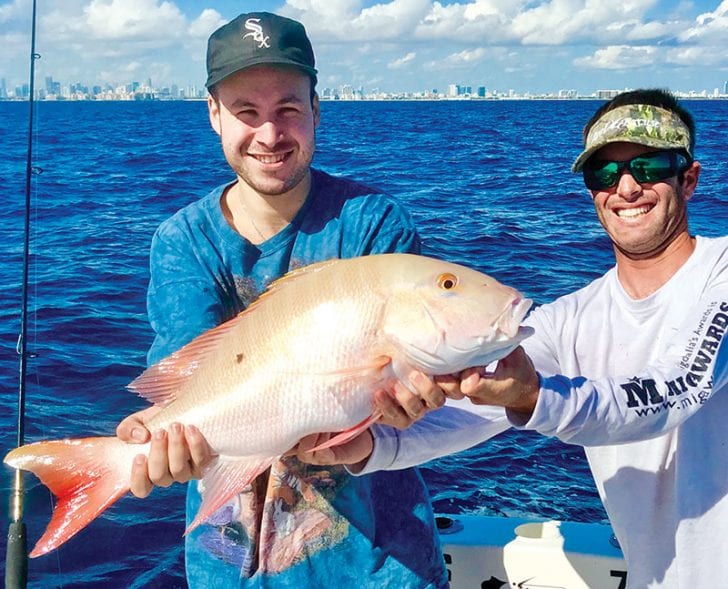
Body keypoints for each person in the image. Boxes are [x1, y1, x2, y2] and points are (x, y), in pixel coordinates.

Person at [115, 12, 455, 588]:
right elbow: (184, 373)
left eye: (289, 110)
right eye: (247, 112)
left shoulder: (373, 225)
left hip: (383, 566)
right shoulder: (183, 241)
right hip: (234, 570)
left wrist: (407, 409)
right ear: (214, 115)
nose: (270, 134)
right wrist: (159, 440)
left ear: (317, 113)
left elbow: (407, 404)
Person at [351, 89, 728, 588]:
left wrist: (536, 396)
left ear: (690, 179)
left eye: (650, 166)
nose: (628, 187)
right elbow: (472, 409)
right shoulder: (569, 319)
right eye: (606, 174)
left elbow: (678, 390)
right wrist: (364, 445)